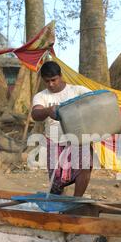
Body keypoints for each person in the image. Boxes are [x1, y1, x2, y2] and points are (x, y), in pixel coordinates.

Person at [31, 61, 92, 196]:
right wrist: (48, 110)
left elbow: (95, 101)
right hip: (54, 141)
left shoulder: (78, 91)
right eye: (47, 81)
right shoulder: (41, 97)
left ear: (60, 76)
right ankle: (58, 203)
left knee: (84, 168)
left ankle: (76, 202)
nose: (51, 84)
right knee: (56, 181)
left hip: (79, 138)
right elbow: (35, 114)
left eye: (54, 80)